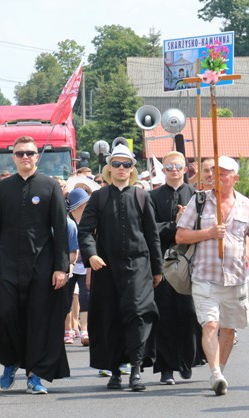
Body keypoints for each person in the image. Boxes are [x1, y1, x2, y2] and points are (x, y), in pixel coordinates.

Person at [0, 136, 70, 395]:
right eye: (20, 153)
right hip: (6, 265)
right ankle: (11, 361)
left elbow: (61, 230)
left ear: (37, 156)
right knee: (6, 315)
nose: (25, 157)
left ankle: (35, 375)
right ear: (13, 157)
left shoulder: (50, 186)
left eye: (30, 153)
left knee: (37, 321)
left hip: (41, 266)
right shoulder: (3, 188)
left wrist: (60, 267)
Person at [176, 156, 249, 396]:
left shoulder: (246, 205)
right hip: (204, 276)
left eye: (223, 174)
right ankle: (216, 373)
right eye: (214, 173)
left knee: (228, 329)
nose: (216, 178)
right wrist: (208, 232)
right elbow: (181, 236)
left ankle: (220, 369)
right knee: (210, 324)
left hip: (235, 278)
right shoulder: (198, 201)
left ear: (235, 178)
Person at [78, 144, 163, 392]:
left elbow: (152, 235)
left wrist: (157, 269)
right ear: (109, 168)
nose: (121, 169)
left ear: (132, 169)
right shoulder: (99, 197)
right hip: (106, 267)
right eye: (117, 164)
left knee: (137, 314)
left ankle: (135, 370)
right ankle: (115, 371)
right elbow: (85, 231)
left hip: (138, 265)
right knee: (110, 317)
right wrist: (91, 255)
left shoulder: (141, 196)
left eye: (126, 165)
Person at [149, 151, 204, 385]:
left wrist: (187, 224)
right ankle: (166, 367)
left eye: (178, 166)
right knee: (165, 314)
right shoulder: (151, 197)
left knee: (189, 312)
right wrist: (176, 224)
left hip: (190, 262)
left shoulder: (197, 196)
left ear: (185, 169)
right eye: (169, 166)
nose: (173, 170)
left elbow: (203, 228)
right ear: (163, 171)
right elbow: (150, 229)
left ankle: (187, 359)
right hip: (162, 261)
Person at [65, 188, 91, 346]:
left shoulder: (91, 219)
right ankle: (68, 329)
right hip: (69, 264)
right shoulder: (67, 221)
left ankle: (85, 330)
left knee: (86, 297)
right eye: (84, 202)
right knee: (66, 298)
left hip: (86, 265)